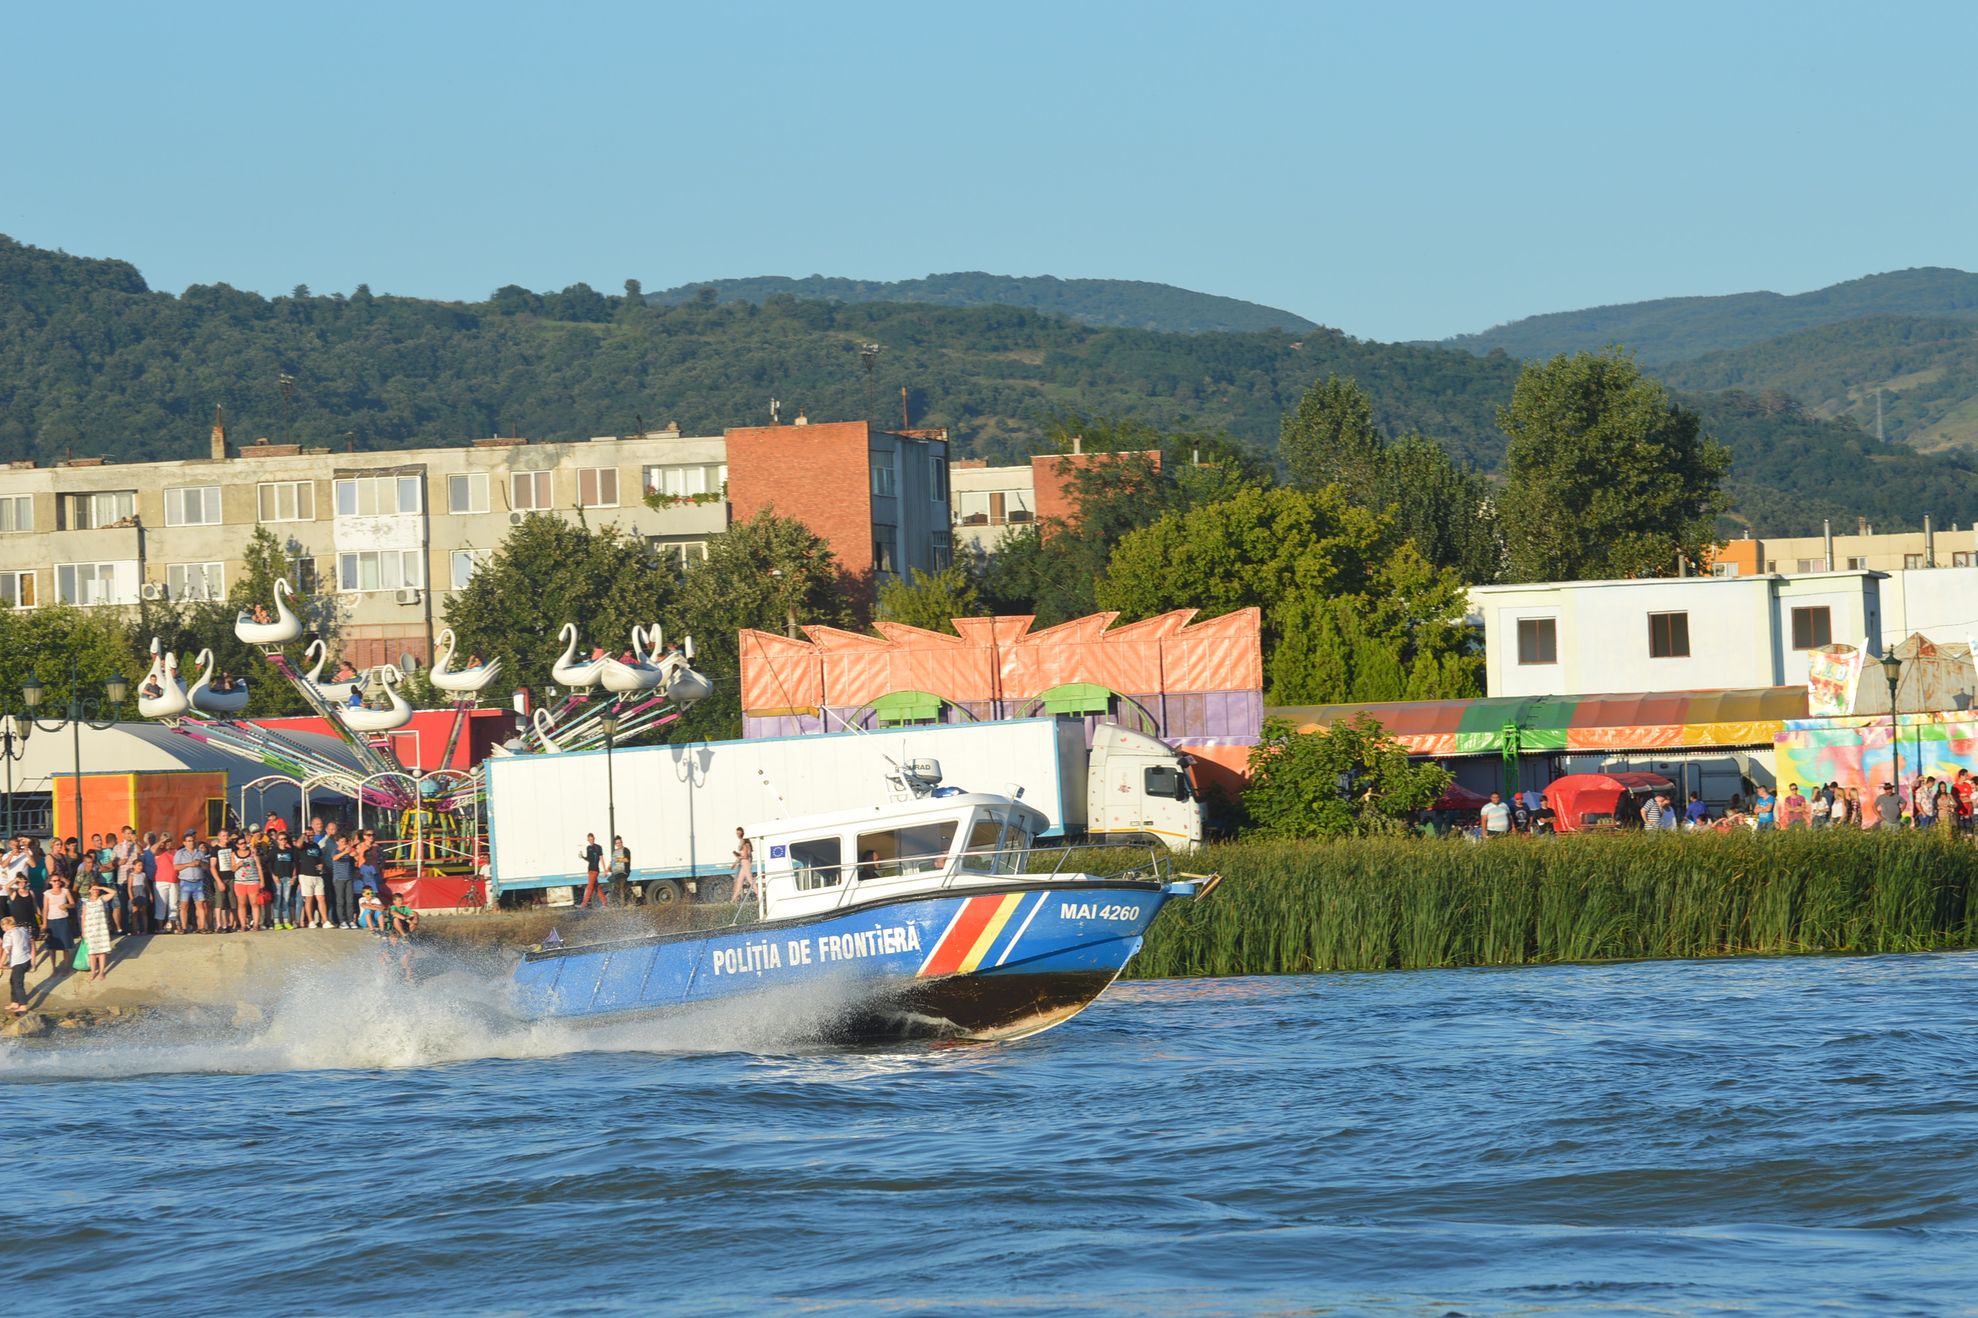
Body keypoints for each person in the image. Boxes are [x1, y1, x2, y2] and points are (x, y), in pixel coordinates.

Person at [176, 831, 213, 933]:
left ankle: (202, 927)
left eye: (192, 841)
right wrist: (189, 864)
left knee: (200, 904)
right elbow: (175, 867)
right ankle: (184, 928)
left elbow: (207, 867)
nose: (191, 843)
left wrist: (200, 863)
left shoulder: (199, 853)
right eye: (188, 841)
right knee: (184, 905)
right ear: (184, 843)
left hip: (198, 882)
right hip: (185, 882)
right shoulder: (180, 853)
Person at [40, 872, 76, 976]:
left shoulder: (65, 891)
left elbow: (73, 904)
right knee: (52, 947)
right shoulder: (47, 893)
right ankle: (53, 968)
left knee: (65, 946)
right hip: (51, 921)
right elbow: (45, 909)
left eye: (58, 880)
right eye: (54, 880)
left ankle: (66, 967)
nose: (57, 882)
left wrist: (66, 906)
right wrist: (44, 923)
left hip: (63, 920)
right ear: (50, 882)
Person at [298, 819, 329, 929]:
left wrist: (321, 865)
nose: (310, 837)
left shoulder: (316, 846)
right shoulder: (303, 845)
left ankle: (325, 920)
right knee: (309, 899)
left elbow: (320, 858)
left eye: (312, 835)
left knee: (321, 898)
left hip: (317, 875)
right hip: (306, 875)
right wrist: (303, 835)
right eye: (308, 835)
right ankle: (311, 920)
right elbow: (298, 845)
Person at [79, 880, 113, 980]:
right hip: (90, 929)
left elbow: (113, 893)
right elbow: (83, 917)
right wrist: (83, 931)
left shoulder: (101, 899)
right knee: (92, 952)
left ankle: (102, 971)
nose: (95, 891)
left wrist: (101, 888)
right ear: (89, 890)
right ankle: (93, 971)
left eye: (96, 889)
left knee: (102, 951)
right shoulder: (86, 902)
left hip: (101, 928)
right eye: (93, 889)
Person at [234, 831, 267, 932]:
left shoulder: (253, 852)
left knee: (254, 903)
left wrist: (262, 881)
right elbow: (232, 868)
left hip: (253, 881)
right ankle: (243, 925)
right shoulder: (234, 854)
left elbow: (258, 866)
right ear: (237, 845)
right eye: (241, 843)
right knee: (241, 904)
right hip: (240, 882)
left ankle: (256, 925)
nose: (243, 845)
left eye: (244, 842)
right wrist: (238, 865)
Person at [269, 828, 298, 929]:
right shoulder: (274, 851)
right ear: (277, 841)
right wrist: (273, 876)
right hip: (278, 878)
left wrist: (294, 877)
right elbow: (270, 864)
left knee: (286, 900)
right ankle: (277, 921)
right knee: (278, 900)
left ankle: (286, 921)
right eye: (281, 839)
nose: (283, 841)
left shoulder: (290, 851)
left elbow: (294, 865)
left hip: (288, 878)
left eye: (285, 839)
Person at [329, 824, 356, 928]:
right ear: (337, 842)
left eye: (345, 842)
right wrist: (344, 851)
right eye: (341, 842)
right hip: (339, 879)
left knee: (350, 900)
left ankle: (350, 920)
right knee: (340, 901)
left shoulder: (349, 852)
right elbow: (334, 858)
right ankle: (342, 921)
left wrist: (354, 853)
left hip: (348, 878)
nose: (343, 843)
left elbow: (356, 857)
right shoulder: (335, 851)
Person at [152, 836, 180, 932]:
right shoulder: (159, 851)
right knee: (161, 904)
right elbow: (152, 849)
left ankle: (173, 926)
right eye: (166, 842)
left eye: (169, 842)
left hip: (174, 880)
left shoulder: (176, 852)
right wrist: (161, 841)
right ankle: (160, 927)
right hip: (161, 881)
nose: (168, 844)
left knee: (174, 904)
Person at [3, 915, 30, 1013]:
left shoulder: (9, 934)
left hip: (18, 960)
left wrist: (1, 963)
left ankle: (23, 1004)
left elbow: (7, 950)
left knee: (18, 983)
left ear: (7, 925)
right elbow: (30, 943)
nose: (3, 928)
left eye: (3, 925)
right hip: (26, 959)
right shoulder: (23, 930)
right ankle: (14, 1002)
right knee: (13, 980)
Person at [578, 832, 605, 908]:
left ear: (594, 839)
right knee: (597, 887)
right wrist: (582, 857)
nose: (591, 841)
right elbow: (589, 859)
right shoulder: (588, 848)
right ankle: (604, 903)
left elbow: (601, 859)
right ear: (588, 840)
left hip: (595, 870)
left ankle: (584, 904)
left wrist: (605, 869)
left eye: (592, 839)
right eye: (589, 839)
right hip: (590, 870)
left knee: (589, 887)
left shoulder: (598, 847)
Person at [732, 827, 756, 901]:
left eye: (739, 833)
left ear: (742, 833)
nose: (737, 835)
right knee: (740, 881)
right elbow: (744, 855)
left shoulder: (744, 843)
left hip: (745, 863)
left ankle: (758, 893)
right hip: (744, 863)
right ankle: (733, 899)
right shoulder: (745, 842)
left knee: (749, 880)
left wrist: (736, 856)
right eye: (737, 833)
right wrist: (735, 863)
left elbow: (745, 855)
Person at [609, 835, 631, 906]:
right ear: (615, 844)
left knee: (621, 887)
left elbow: (627, 860)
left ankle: (623, 904)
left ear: (622, 842)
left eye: (620, 842)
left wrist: (618, 859)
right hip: (616, 873)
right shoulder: (615, 852)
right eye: (617, 843)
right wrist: (608, 868)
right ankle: (617, 903)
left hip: (623, 872)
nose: (619, 844)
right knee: (615, 888)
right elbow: (612, 861)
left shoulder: (625, 850)